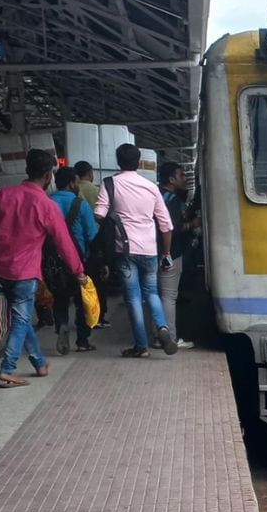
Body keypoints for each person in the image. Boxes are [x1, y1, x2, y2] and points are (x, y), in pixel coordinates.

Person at [0, 151, 87, 387]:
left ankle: (40, 363)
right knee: (21, 320)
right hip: (24, 272)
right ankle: (7, 368)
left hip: (0, 269)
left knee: (21, 318)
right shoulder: (46, 205)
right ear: (49, 175)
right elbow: (64, 243)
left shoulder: (3, 196)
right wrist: (78, 271)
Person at [95, 143, 178, 357]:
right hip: (149, 249)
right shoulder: (151, 187)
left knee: (133, 297)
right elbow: (166, 225)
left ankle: (141, 347)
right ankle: (162, 327)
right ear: (139, 161)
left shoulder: (110, 184)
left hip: (124, 250)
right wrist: (166, 253)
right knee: (152, 292)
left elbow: (99, 215)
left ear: (117, 161)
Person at [49, 168, 97, 354]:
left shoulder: (48, 202)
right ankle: (83, 341)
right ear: (71, 183)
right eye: (77, 182)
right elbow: (91, 234)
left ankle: (61, 325)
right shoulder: (80, 204)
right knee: (81, 300)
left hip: (54, 262)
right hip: (79, 260)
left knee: (60, 298)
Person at [157, 162, 198, 349]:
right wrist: (193, 224)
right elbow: (173, 228)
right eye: (182, 175)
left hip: (152, 251)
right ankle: (170, 338)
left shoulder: (156, 195)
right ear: (172, 179)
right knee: (168, 297)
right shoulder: (172, 200)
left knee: (155, 296)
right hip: (170, 253)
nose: (185, 178)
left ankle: (157, 337)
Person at [73, 160, 110, 327]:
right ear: (90, 174)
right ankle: (98, 316)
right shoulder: (96, 191)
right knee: (97, 281)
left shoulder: (72, 190)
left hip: (72, 244)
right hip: (94, 242)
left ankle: (77, 317)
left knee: (78, 285)